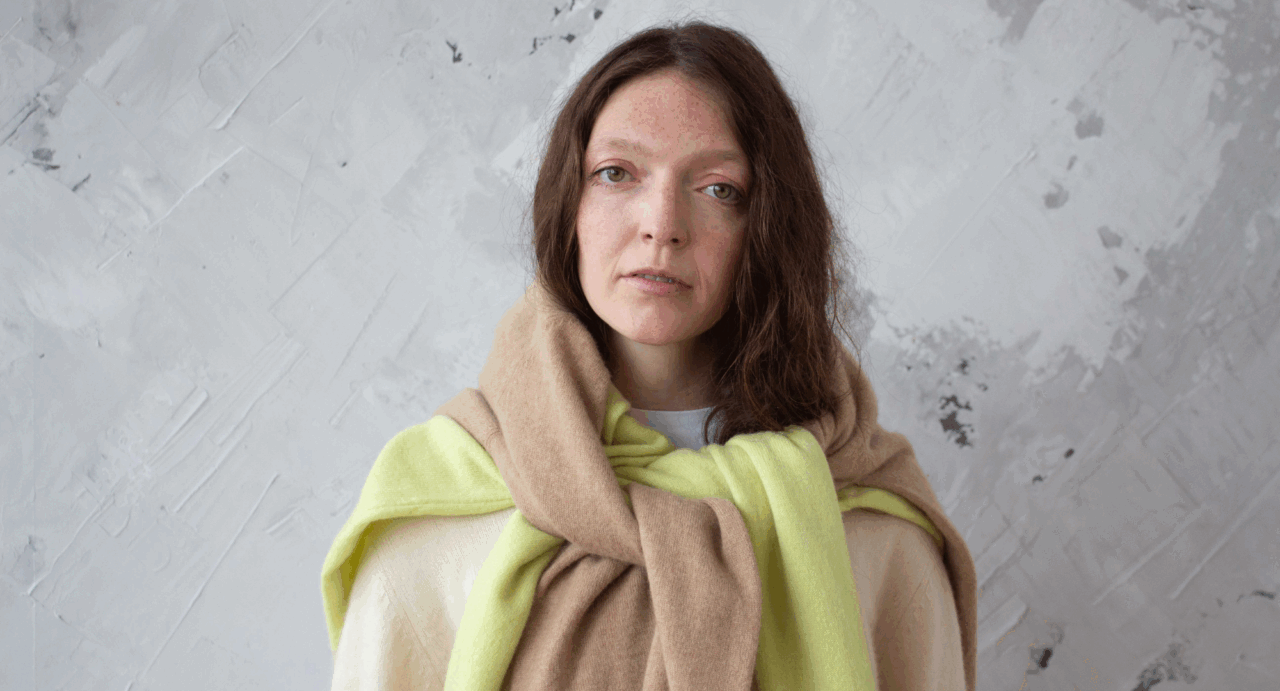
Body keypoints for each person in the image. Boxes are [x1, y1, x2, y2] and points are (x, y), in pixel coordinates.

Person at [321, 21, 977, 691]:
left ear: (769, 227)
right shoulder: (442, 508)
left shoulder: (871, 528)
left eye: (719, 188)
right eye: (616, 173)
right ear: (567, 205)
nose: (662, 222)